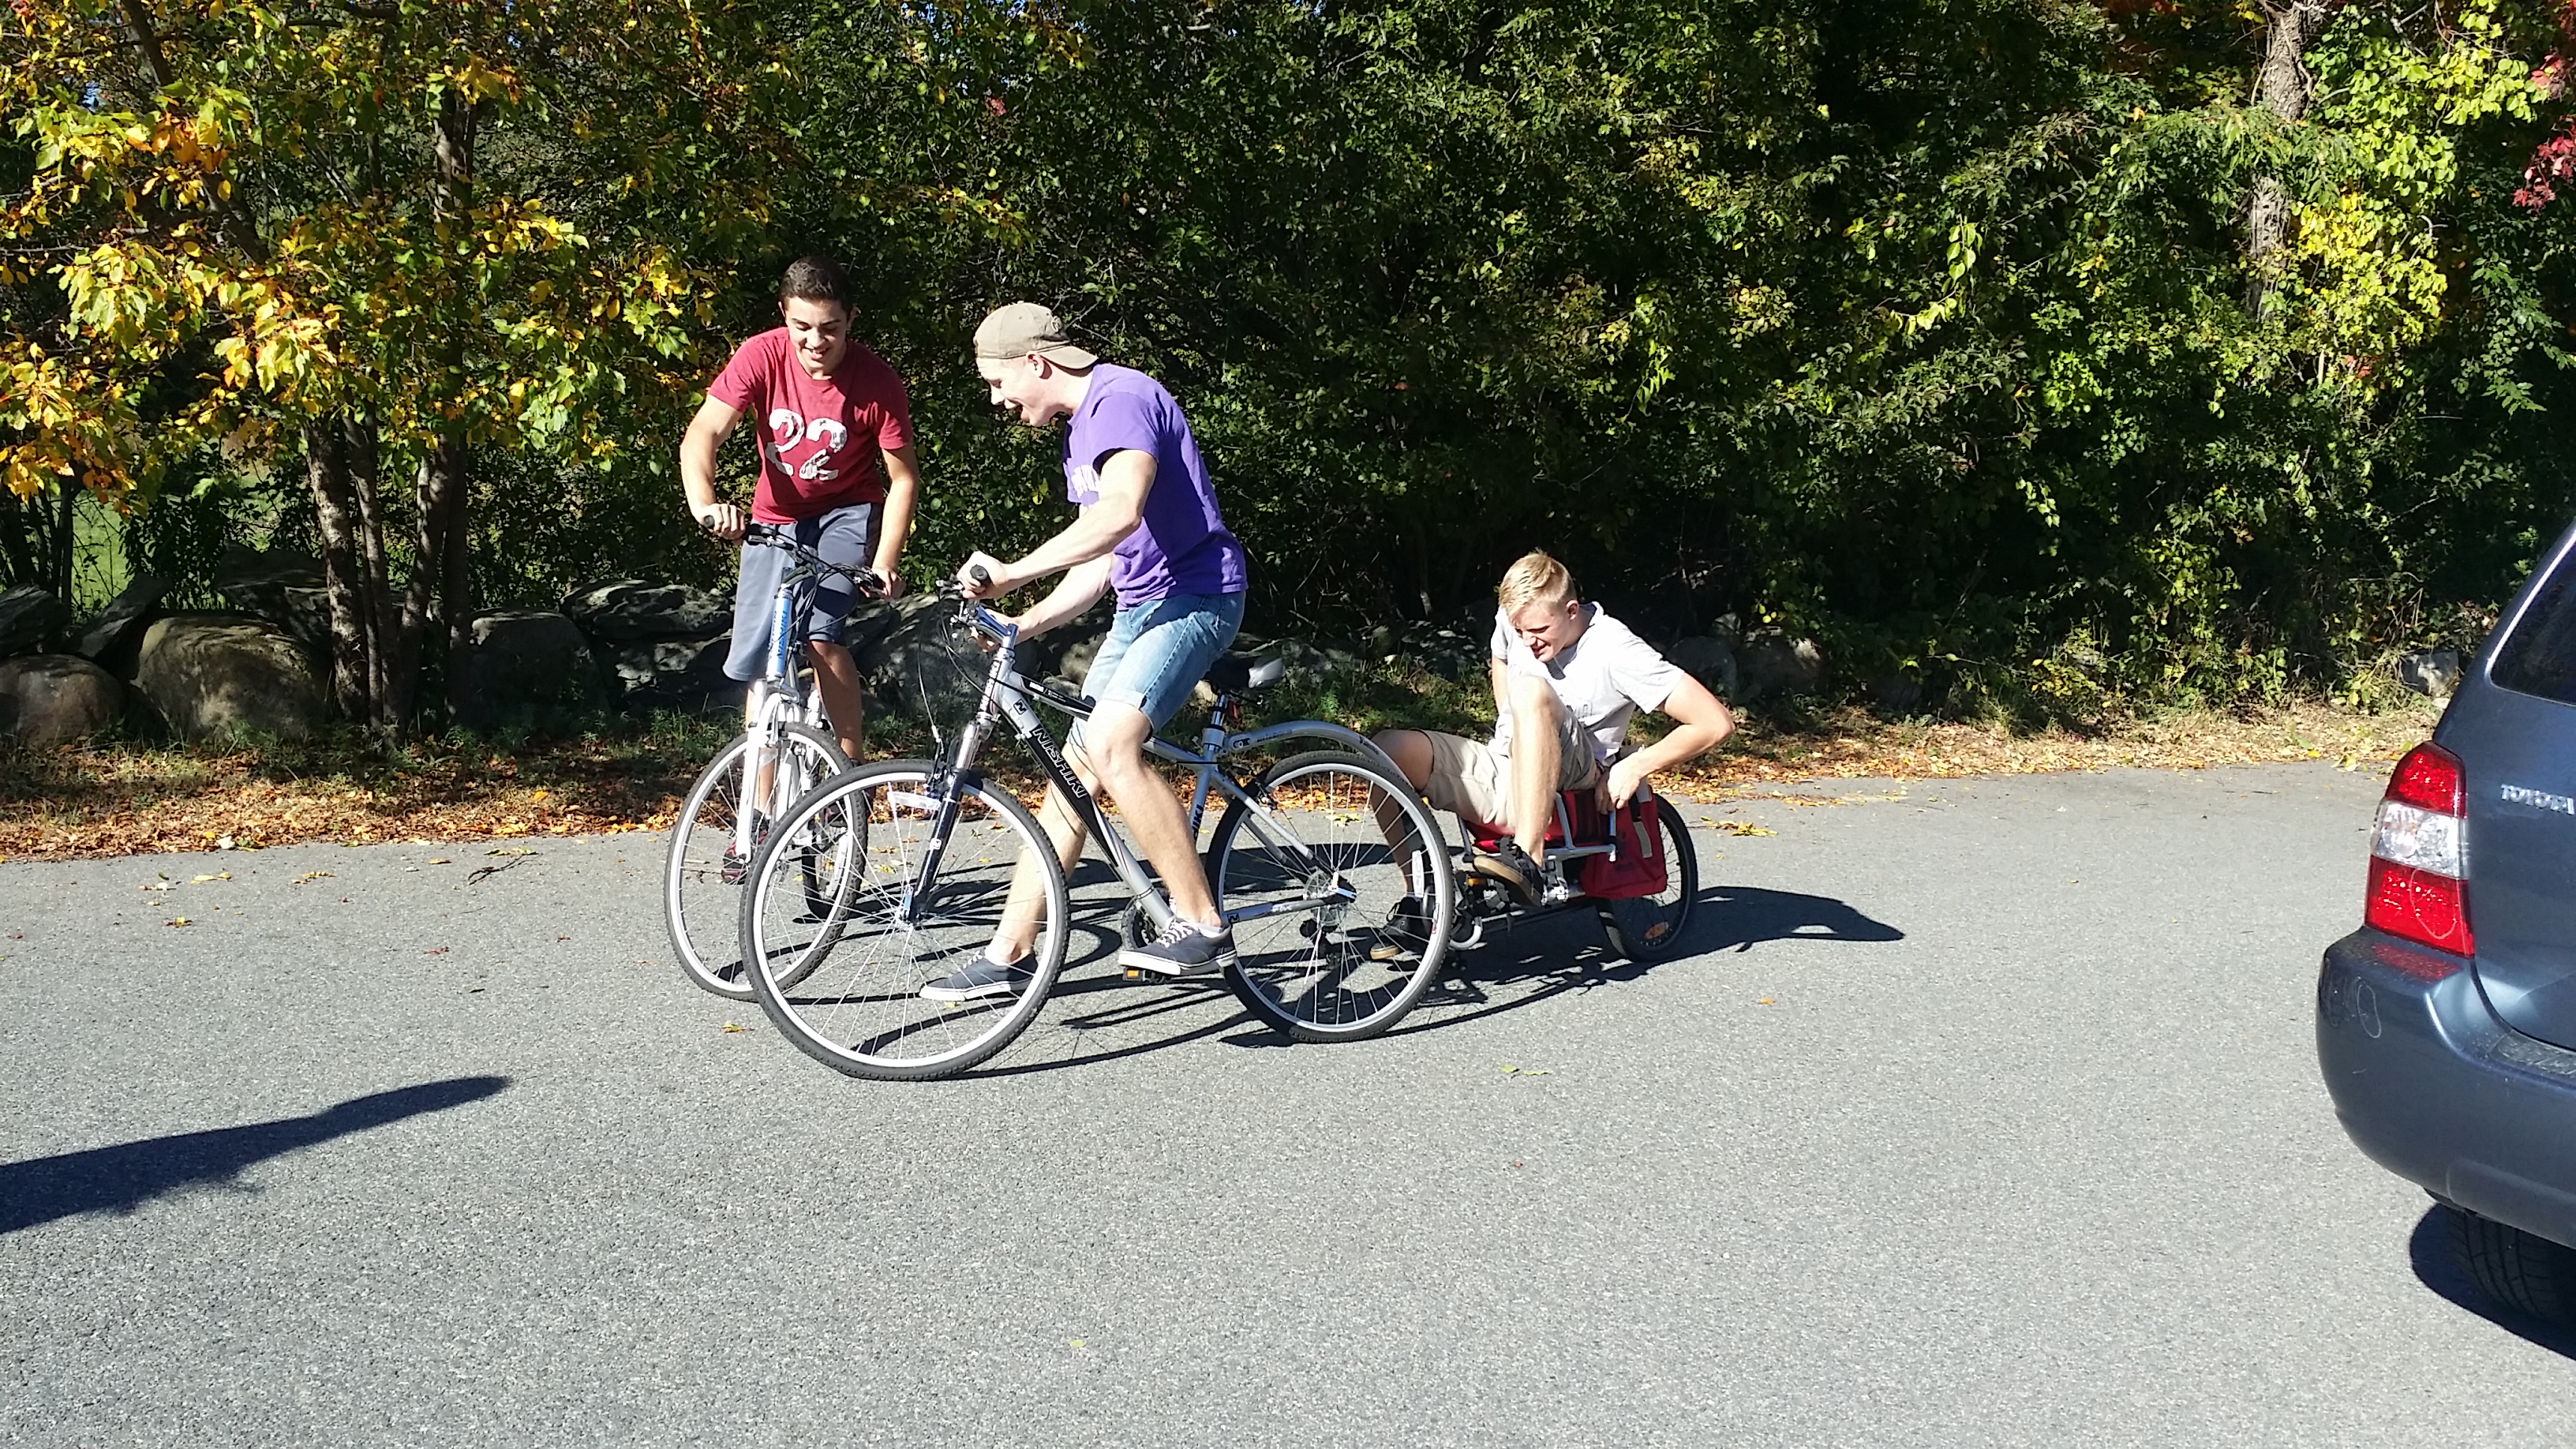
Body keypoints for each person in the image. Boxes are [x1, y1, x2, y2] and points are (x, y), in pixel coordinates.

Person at [920, 302, 1251, 1002]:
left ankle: (1201, 921)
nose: (997, 400)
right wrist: (1024, 623)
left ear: (1035, 363)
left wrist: (1012, 572)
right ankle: (1010, 952)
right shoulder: (1081, 433)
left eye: (998, 382)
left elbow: (1120, 513)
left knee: (1110, 744)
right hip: (1141, 607)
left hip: (1197, 596)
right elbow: (1101, 560)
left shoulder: (1120, 400)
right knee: (1074, 771)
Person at [1376, 550, 1735, 908]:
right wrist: (1513, 721)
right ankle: (1422, 899)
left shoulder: (1615, 649)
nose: (1527, 641)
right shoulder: (1516, 620)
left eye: (1538, 631)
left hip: (1574, 783)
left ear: (1571, 611)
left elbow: (1714, 722)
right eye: (1519, 631)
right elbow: (1500, 656)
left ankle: (1527, 860)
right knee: (1386, 751)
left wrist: (1633, 767)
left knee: (1531, 690)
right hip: (1508, 768)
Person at [677, 255, 922, 771]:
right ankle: (759, 806)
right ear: (783, 314)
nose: (815, 341)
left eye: (830, 328)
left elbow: (903, 479)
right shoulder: (760, 355)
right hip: (775, 516)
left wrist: (885, 561)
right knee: (761, 660)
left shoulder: (876, 382)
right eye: (802, 327)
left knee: (819, 634)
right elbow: (705, 432)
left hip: (847, 511)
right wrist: (705, 504)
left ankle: (849, 771)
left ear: (850, 319)